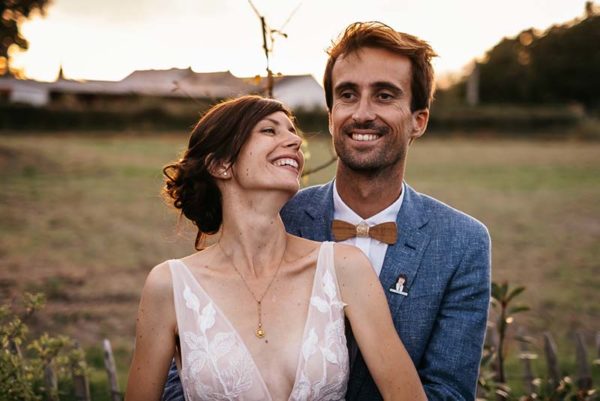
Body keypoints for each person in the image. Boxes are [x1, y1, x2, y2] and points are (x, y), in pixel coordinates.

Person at [163, 21, 491, 401]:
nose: (362, 113)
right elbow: (192, 365)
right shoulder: (275, 216)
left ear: (419, 120)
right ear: (331, 113)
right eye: (348, 95)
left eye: (384, 96)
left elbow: (448, 392)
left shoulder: (461, 243)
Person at [125, 95, 427, 401]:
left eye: (292, 131)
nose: (294, 141)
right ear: (220, 164)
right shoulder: (170, 286)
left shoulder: (344, 267)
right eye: (269, 130)